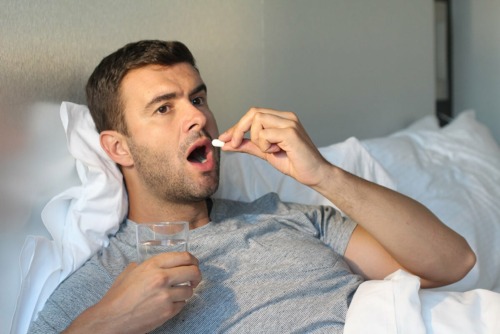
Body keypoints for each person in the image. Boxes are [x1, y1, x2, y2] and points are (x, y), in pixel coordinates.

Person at [28, 40, 475, 334]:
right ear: (119, 148)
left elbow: (452, 264)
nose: (198, 117)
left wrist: (322, 174)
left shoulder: (286, 217)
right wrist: (113, 319)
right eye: (164, 108)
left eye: (198, 99)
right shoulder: (107, 282)